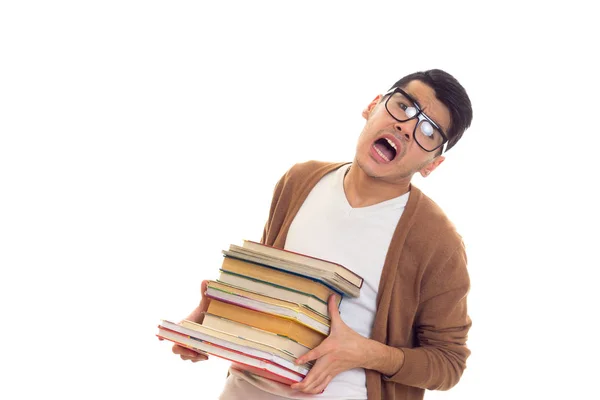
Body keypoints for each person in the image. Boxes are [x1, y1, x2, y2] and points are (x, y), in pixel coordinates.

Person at [171, 69, 474, 400]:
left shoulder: (438, 241)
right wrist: (214, 319)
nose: (405, 126)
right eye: (403, 106)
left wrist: (367, 352)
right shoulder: (300, 181)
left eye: (428, 132)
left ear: (432, 164)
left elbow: (449, 362)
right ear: (374, 105)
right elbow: (270, 289)